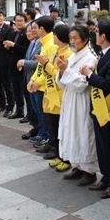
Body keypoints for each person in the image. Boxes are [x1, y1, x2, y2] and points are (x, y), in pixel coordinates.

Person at [81, 19, 110, 199]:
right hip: (98, 108)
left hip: (107, 108)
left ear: (103, 36)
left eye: (97, 32)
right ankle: (105, 177)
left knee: (109, 146)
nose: (95, 35)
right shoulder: (103, 53)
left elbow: (108, 84)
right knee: (101, 145)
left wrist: (89, 75)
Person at [55, 24, 98, 185]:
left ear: (85, 40)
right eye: (70, 38)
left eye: (75, 38)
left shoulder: (90, 58)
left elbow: (82, 83)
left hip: (82, 101)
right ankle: (77, 165)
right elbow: (63, 81)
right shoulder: (73, 56)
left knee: (83, 133)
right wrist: (61, 70)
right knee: (71, 132)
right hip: (70, 99)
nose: (72, 42)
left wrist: (65, 70)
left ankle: (89, 170)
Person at [34, 24, 72, 159]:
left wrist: (46, 64)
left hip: (59, 94)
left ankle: (58, 149)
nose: (53, 37)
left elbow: (58, 74)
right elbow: (47, 70)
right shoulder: (57, 51)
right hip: (50, 92)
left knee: (57, 124)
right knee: (51, 122)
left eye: (55, 35)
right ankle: (52, 144)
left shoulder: (68, 54)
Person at [27, 16, 56, 146]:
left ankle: (45, 136)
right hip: (38, 84)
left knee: (44, 113)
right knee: (39, 111)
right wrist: (33, 79)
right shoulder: (44, 43)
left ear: (42, 29)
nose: (34, 30)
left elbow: (49, 68)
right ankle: (42, 133)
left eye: (36, 28)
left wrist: (38, 81)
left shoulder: (51, 44)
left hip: (45, 87)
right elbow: (40, 65)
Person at [3, 12, 30, 119]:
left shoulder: (27, 33)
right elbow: (11, 51)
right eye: (17, 21)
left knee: (25, 91)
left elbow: (25, 50)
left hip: (22, 66)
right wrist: (8, 48)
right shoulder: (13, 34)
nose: (19, 23)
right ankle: (19, 111)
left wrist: (14, 45)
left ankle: (29, 113)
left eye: (21, 21)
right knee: (16, 90)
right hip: (13, 66)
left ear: (25, 21)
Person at [18, 23, 41, 139]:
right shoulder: (32, 42)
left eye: (33, 29)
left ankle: (41, 132)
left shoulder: (43, 43)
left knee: (39, 109)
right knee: (32, 106)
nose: (30, 32)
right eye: (28, 30)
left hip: (37, 81)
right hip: (29, 79)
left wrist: (24, 63)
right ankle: (35, 128)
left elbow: (40, 63)